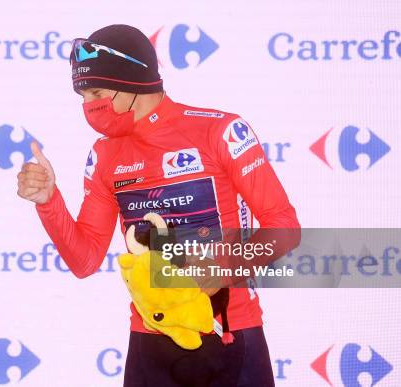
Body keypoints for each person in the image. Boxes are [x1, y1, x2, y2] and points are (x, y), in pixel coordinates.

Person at [17, 25, 300, 386]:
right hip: (150, 341)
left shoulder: (220, 131)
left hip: (230, 332)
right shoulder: (105, 154)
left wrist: (222, 268)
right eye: (83, 97)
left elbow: (285, 226)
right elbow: (84, 260)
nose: (89, 107)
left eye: (97, 93)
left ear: (133, 81)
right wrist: (48, 201)